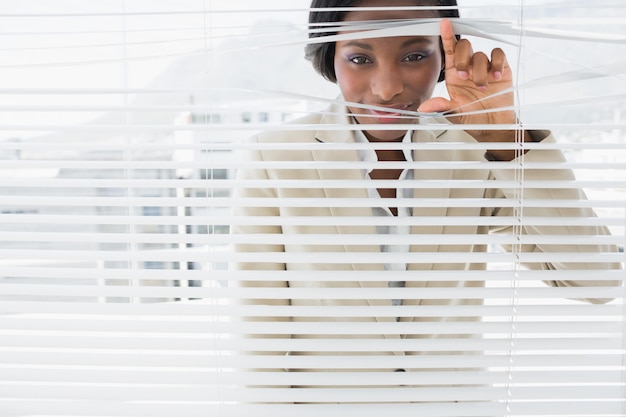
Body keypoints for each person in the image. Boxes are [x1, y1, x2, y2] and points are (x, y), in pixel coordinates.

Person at [230, 0, 621, 405]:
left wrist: (506, 141)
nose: (387, 88)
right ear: (331, 58)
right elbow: (261, 333)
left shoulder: (476, 150)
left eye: (414, 55)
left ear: (445, 55)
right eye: (360, 58)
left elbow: (595, 281)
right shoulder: (275, 155)